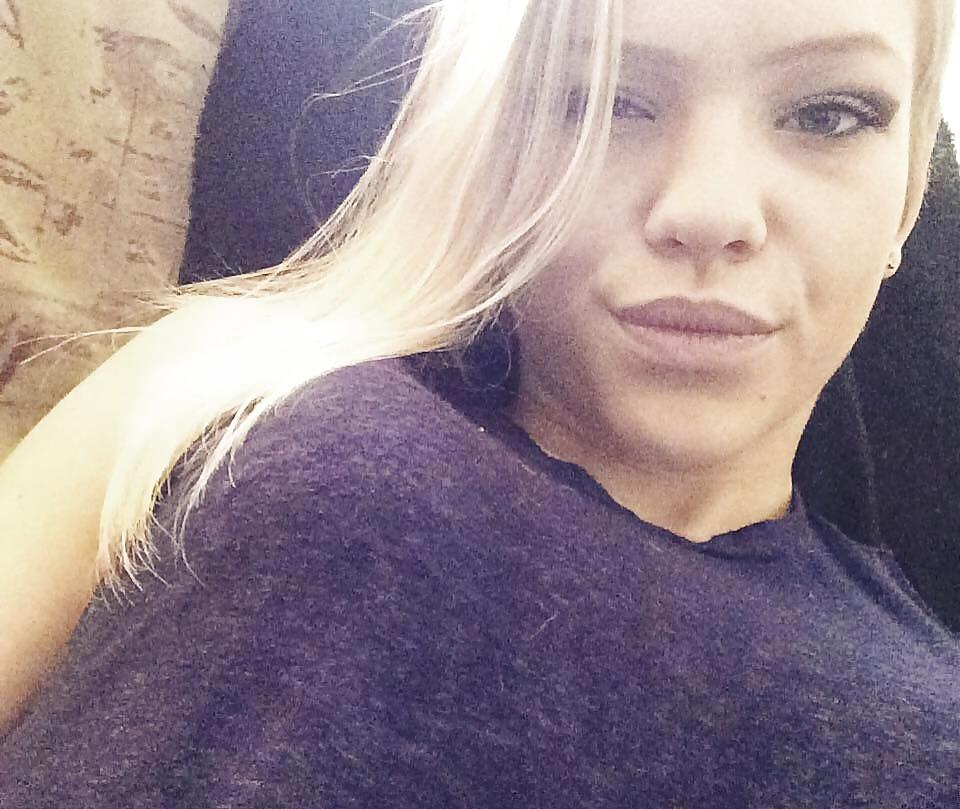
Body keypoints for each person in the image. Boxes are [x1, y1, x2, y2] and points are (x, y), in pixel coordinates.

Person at [1, 0, 959, 804]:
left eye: (829, 115)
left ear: (911, 191)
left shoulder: (926, 732)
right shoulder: (226, 376)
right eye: (602, 100)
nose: (709, 212)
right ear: (496, 144)